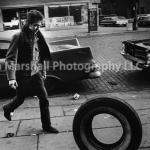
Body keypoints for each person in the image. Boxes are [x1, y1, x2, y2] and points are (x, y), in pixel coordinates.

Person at [3, 10, 58, 133]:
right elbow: (11, 58)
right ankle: (7, 108)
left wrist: (43, 70)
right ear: (28, 23)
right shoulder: (18, 37)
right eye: (35, 25)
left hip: (36, 73)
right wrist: (11, 78)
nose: (38, 27)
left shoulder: (38, 35)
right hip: (22, 74)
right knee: (20, 98)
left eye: (39, 25)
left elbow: (40, 54)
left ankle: (46, 126)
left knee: (44, 98)